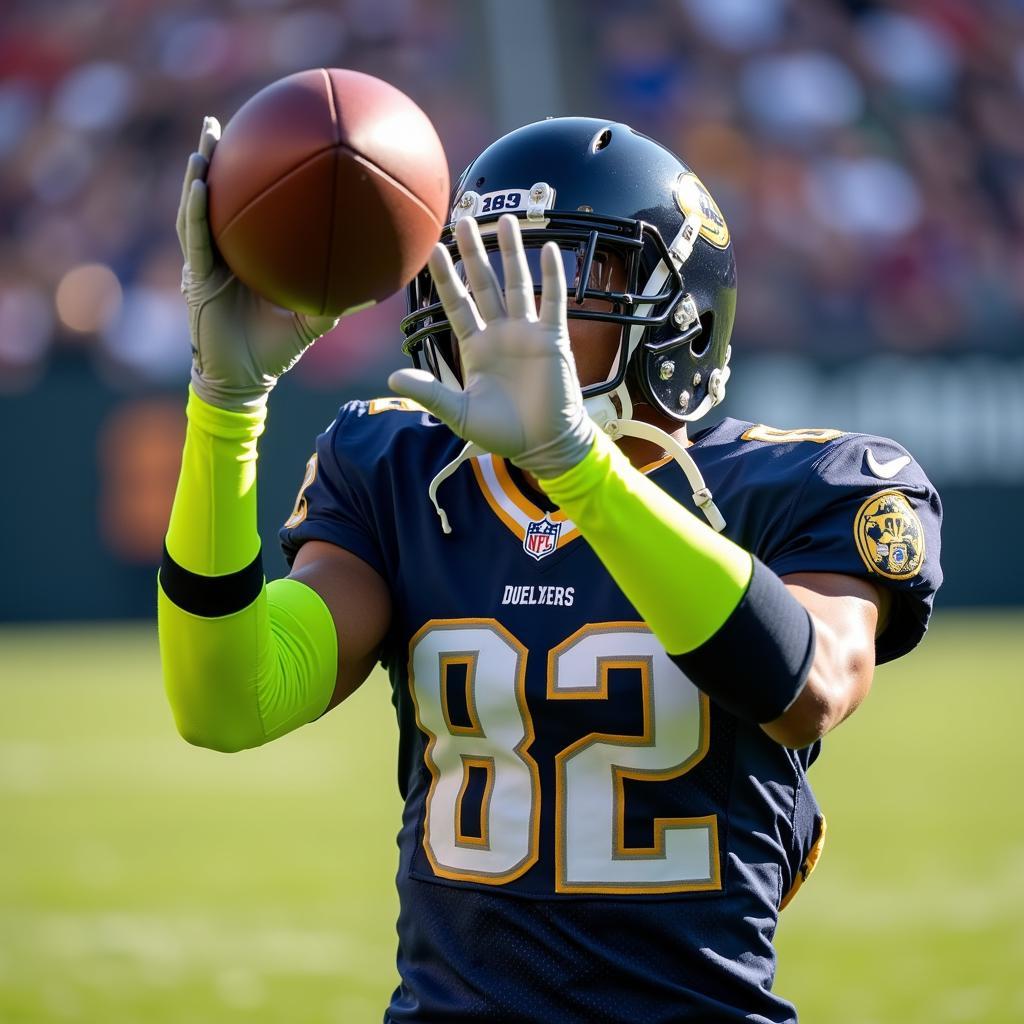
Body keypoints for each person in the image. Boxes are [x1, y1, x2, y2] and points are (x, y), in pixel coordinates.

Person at [159, 115, 942, 1023]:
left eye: (557, 274)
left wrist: (579, 469)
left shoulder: (807, 483)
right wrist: (227, 406)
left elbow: (807, 682)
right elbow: (231, 701)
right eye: (479, 271)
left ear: (677, 314)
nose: (502, 312)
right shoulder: (405, 471)